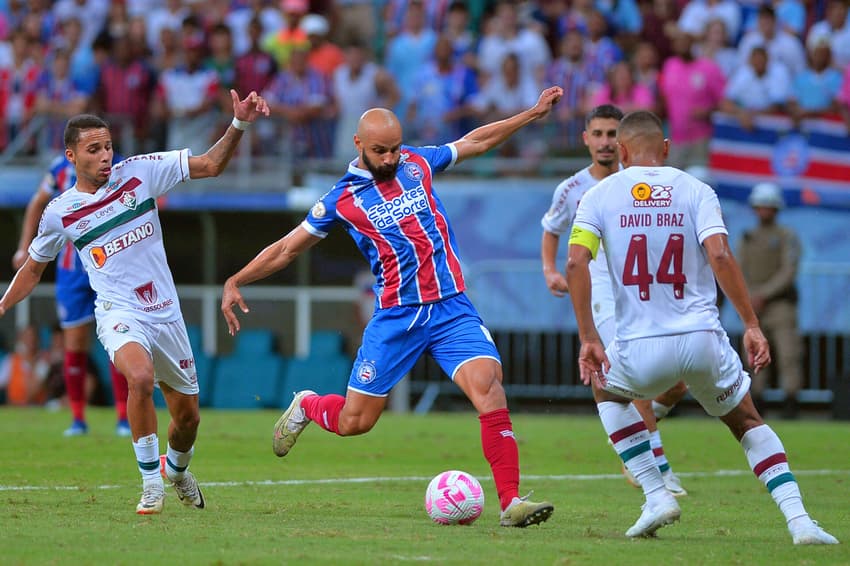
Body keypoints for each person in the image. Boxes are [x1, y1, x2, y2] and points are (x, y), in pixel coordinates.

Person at [221, 86, 564, 528]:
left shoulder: (418, 162)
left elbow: (474, 141)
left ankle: (510, 501)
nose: (389, 158)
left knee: (489, 387)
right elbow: (288, 248)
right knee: (355, 422)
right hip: (396, 318)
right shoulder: (341, 199)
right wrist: (236, 279)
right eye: (380, 151)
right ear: (358, 145)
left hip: (450, 309)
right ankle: (308, 406)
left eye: (395, 149)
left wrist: (531, 113)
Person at [565, 110, 838, 545]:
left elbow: (576, 262)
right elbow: (721, 255)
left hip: (639, 346)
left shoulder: (598, 196)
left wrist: (589, 338)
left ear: (622, 150)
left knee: (607, 391)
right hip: (701, 339)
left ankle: (656, 495)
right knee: (746, 421)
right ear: (668, 149)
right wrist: (751, 324)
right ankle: (800, 522)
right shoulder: (696, 189)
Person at [0, 89, 270, 515]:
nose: (105, 155)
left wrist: (238, 124)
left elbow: (211, 164)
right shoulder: (61, 212)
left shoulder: (141, 173)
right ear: (71, 156)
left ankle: (177, 471)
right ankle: (150, 485)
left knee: (187, 421)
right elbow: (33, 269)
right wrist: (1, 305)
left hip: (166, 314)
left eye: (108, 146)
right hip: (118, 313)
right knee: (139, 378)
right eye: (94, 149)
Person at [540, 104, 687, 497]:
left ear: (623, 142)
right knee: (630, 372)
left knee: (679, 382)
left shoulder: (640, 184)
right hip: (601, 293)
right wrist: (549, 271)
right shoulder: (573, 189)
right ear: (585, 138)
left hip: (643, 290)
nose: (605, 142)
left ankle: (624, 432)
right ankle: (656, 466)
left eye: (612, 134)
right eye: (598, 134)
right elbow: (552, 229)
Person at [13, 152, 132, 437]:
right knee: (75, 343)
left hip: (109, 265)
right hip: (72, 271)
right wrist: (23, 246)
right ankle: (78, 419)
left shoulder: (118, 167)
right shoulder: (58, 169)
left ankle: (124, 419)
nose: (101, 151)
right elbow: (37, 203)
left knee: (119, 341)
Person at [737, 182, 803, 419]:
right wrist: (750, 296)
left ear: (776, 209)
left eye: (768, 206)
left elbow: (788, 270)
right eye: (760, 206)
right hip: (754, 306)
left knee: (788, 354)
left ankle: (791, 401)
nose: (763, 210)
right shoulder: (748, 237)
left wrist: (763, 293)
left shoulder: (786, 236)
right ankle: (758, 400)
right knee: (754, 356)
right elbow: (739, 269)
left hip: (780, 304)